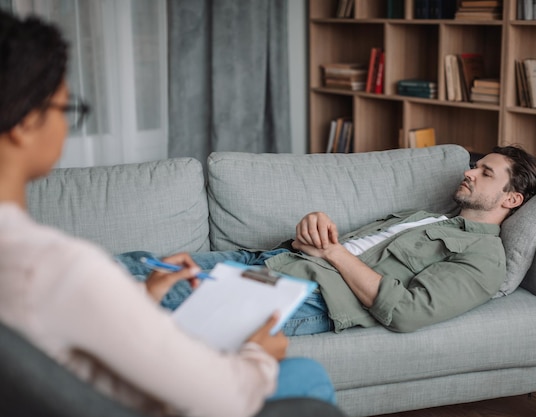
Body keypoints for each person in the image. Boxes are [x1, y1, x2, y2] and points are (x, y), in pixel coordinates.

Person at [0, 10, 337, 417]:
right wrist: (259, 353)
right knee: (305, 375)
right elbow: (224, 398)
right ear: (24, 122)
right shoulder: (59, 267)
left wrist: (143, 298)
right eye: (65, 107)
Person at [119, 146, 536, 337]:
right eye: (474, 166)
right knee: (140, 264)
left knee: (160, 296)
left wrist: (332, 251)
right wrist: (312, 233)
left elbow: (407, 312)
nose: (470, 172)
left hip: (305, 293)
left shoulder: (485, 257)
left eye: (485, 173)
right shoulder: (429, 218)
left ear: (511, 199)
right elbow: (352, 250)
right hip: (278, 259)